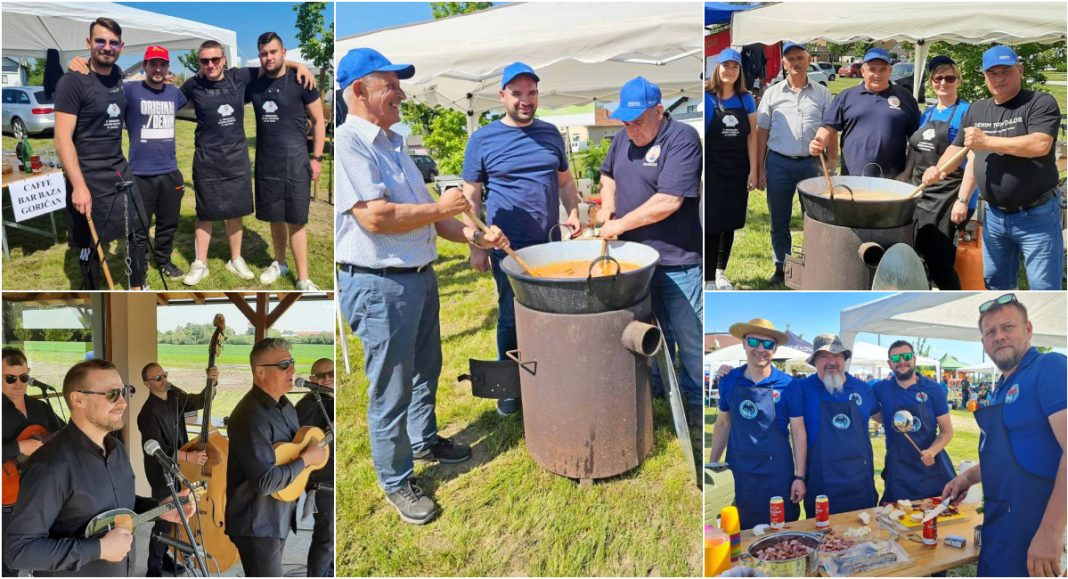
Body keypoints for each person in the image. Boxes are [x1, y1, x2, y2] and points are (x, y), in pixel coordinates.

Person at [335, 48, 509, 524]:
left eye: (399, 84)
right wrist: (444, 210)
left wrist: (476, 235)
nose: (400, 93)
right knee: (389, 389)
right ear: (358, 91)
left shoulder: (394, 144)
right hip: (378, 286)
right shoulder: (350, 143)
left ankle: (423, 439)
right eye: (389, 85)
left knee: (424, 370)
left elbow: (432, 218)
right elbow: (376, 217)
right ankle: (396, 480)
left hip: (417, 277)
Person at [461, 61, 582, 416]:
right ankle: (510, 388)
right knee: (512, 315)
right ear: (502, 96)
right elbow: (470, 196)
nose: (525, 100)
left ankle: (550, 377)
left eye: (531, 93)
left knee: (551, 314)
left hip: (550, 247)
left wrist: (573, 212)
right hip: (507, 248)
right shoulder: (483, 138)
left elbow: (565, 182)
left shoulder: (550, 133)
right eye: (517, 93)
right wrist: (476, 246)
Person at [5, 360, 194, 576]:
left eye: (124, 392)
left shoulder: (116, 450)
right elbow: (19, 551)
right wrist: (99, 549)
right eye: (112, 394)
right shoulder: (49, 466)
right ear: (78, 399)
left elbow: (115, 505)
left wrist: (159, 509)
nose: (123, 402)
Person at [596, 76, 704, 424]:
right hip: (635, 263)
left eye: (639, 122)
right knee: (652, 331)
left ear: (660, 110)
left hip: (677, 261)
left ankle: (695, 403)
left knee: (690, 339)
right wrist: (606, 207)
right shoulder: (621, 140)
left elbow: (668, 201)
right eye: (626, 123)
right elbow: (608, 175)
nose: (632, 130)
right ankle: (658, 393)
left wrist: (620, 224)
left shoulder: (683, 138)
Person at [941, 294, 1066, 576]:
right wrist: (967, 477)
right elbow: (1008, 456)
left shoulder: (1049, 368)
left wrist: (1051, 532)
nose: (999, 336)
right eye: (990, 332)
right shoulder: (1000, 388)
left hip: (1036, 531)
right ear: (984, 343)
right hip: (1000, 527)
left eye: (1007, 327)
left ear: (1028, 330)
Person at [922, 45, 1063, 290]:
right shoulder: (977, 109)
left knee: (1044, 288)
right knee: (995, 284)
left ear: (1019, 70)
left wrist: (986, 141)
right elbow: (958, 149)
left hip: (1036, 216)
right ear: (984, 77)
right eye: (992, 73)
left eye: (1005, 71)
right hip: (995, 217)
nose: (999, 78)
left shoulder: (1039, 103)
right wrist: (938, 169)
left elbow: (1040, 144)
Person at [180, 40, 314, 286]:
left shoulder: (239, 77)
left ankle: (236, 259)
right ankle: (200, 263)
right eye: (204, 61)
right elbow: (173, 102)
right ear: (199, 63)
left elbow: (273, 64)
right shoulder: (193, 84)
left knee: (236, 211)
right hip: (207, 158)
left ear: (224, 60)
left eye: (215, 59)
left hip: (236, 157)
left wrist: (299, 66)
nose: (210, 64)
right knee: (205, 212)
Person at [53, 18, 147, 290]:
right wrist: (79, 187)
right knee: (91, 243)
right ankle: (94, 292)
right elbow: (62, 139)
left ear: (121, 46)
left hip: (118, 169)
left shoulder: (117, 75)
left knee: (137, 229)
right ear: (88, 43)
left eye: (113, 42)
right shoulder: (73, 82)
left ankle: (137, 285)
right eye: (100, 41)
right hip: (87, 175)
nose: (107, 47)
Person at [225, 338, 327, 577]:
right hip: (256, 522)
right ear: (260, 372)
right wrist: (306, 460)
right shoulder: (250, 416)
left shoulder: (286, 406)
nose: (292, 369)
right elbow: (265, 481)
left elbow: (293, 449)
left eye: (292, 362)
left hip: (277, 516)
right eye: (283, 365)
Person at [707, 319, 807, 530]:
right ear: (744, 343)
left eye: (768, 344)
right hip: (739, 469)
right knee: (739, 529)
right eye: (754, 341)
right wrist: (712, 465)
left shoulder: (789, 385)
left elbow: (798, 432)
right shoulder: (729, 380)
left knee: (781, 531)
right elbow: (723, 424)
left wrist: (799, 476)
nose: (761, 349)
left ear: (775, 348)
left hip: (778, 471)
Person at [247, 32, 326, 291]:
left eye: (273, 51)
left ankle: (303, 277)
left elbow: (319, 122)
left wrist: (317, 158)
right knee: (274, 216)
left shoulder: (302, 82)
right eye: (263, 53)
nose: (268, 57)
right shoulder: (255, 83)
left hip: (296, 162)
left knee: (296, 219)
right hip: (266, 163)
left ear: (283, 52)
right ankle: (279, 262)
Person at [755, 42, 833, 286]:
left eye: (800, 57)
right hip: (779, 164)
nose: (796, 62)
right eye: (790, 59)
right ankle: (782, 266)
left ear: (809, 60)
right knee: (779, 219)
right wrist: (757, 169)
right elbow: (761, 133)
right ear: (784, 64)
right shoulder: (772, 94)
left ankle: (812, 265)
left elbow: (831, 130)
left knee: (814, 219)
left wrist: (831, 161)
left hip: (812, 165)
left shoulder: (822, 93)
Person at [895, 55, 973, 290]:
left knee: (940, 255)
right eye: (938, 78)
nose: (943, 83)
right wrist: (905, 176)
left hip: (948, 193)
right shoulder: (927, 113)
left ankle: (950, 292)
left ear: (958, 81)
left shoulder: (966, 112)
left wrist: (964, 200)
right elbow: (916, 149)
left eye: (949, 78)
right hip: (921, 189)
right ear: (931, 82)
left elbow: (973, 158)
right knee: (919, 248)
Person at [136, 362, 217, 577]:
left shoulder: (175, 396)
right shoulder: (147, 413)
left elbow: (200, 401)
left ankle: (164, 558)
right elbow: (157, 449)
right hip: (160, 469)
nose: (164, 381)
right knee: (165, 517)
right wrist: (189, 456)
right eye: (158, 378)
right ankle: (153, 568)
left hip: (180, 466)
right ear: (147, 384)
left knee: (175, 515)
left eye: (165, 375)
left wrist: (212, 381)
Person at [798, 334, 881, 516]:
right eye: (823, 356)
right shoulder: (801, 389)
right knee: (824, 539)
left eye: (836, 355)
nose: (831, 361)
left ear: (845, 359)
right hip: (821, 483)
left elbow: (884, 417)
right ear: (815, 362)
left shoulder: (863, 390)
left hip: (859, 481)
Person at [124, 46, 188, 282]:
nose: (158, 68)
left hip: (169, 171)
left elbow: (198, 88)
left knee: (168, 224)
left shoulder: (174, 94)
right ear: (145, 65)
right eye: (153, 63)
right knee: (138, 228)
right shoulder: (130, 90)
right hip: (140, 173)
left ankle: (163, 261)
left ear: (168, 67)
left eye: (163, 64)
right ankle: (137, 273)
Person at [810, 48, 920, 178]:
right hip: (853, 176)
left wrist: (907, 173)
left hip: (893, 178)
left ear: (890, 71)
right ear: (863, 71)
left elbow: (916, 140)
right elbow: (829, 127)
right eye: (872, 69)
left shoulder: (905, 98)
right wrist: (819, 141)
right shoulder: (846, 96)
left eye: (882, 69)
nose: (877, 74)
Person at [2, 348, 65, 577]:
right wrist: (18, 447)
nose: (18, 383)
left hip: (40, 491)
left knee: (44, 552)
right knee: (9, 560)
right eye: (10, 378)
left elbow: (65, 434)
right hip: (7, 496)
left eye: (23, 377)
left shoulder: (40, 407)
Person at [871, 341, 955, 504]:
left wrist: (932, 451)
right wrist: (889, 421)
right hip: (898, 469)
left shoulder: (933, 389)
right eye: (896, 358)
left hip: (930, 467)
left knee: (934, 520)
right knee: (897, 521)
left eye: (907, 356)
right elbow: (872, 410)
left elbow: (947, 431)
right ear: (890, 363)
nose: (902, 361)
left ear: (914, 360)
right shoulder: (881, 389)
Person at [705, 48, 757, 291]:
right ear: (717, 68)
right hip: (713, 169)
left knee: (730, 222)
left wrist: (754, 170)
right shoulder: (707, 97)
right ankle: (708, 279)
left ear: (740, 71)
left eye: (734, 66)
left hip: (738, 169)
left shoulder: (746, 99)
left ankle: (720, 272)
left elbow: (752, 136)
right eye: (725, 65)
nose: (729, 70)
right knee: (713, 223)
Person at [295, 358, 334, 577]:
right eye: (321, 375)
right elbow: (306, 444)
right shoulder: (308, 405)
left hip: (335, 478)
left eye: (331, 373)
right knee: (325, 539)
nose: (327, 379)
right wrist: (331, 432)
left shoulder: (337, 399)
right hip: (321, 482)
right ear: (311, 379)